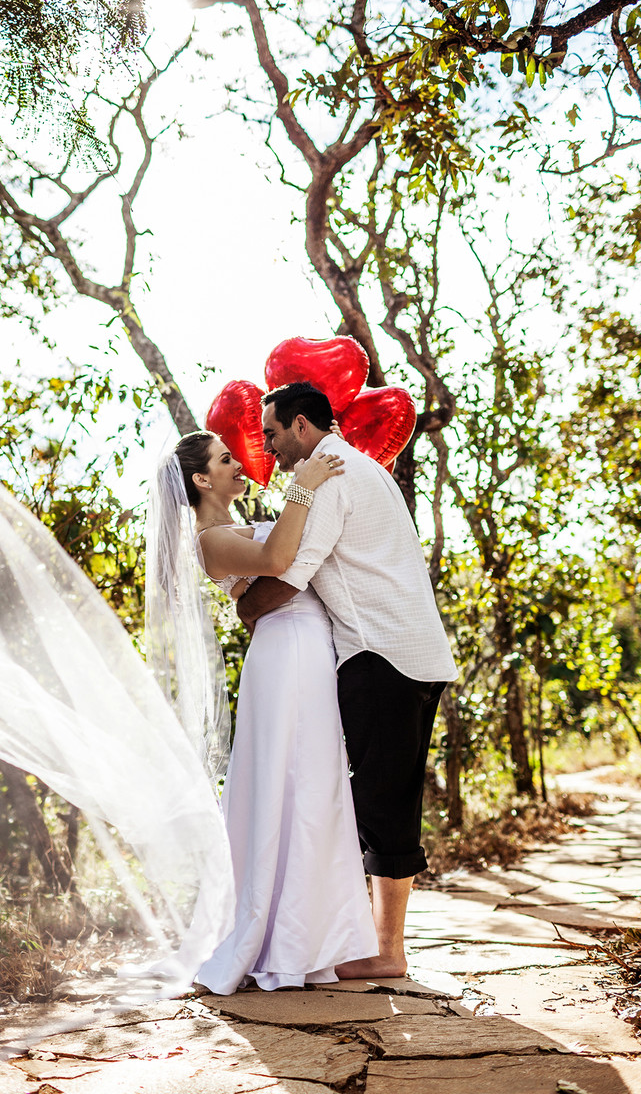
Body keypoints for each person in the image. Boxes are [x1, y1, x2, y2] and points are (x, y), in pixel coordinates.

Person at [236, 382, 458, 980]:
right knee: (390, 794)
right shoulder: (368, 469)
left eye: (274, 433)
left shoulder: (328, 477)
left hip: (379, 656)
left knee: (376, 801)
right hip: (415, 654)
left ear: (303, 426)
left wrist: (245, 604)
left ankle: (386, 952)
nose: (269, 445)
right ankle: (371, 941)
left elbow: (291, 574)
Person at [159, 429, 378, 994]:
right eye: (225, 459)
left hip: (304, 647)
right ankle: (276, 942)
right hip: (287, 652)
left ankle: (305, 938)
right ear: (202, 479)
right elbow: (279, 558)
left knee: (309, 784)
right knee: (294, 783)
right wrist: (302, 487)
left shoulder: (234, 522)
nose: (239, 463)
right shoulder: (211, 539)